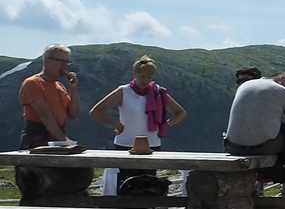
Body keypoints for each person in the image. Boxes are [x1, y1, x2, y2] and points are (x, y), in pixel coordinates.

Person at [88, 55, 188, 191]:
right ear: (134, 74)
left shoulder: (158, 93)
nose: (145, 81)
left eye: (149, 77)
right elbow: (96, 111)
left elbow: (180, 112)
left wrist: (166, 124)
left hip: (152, 146)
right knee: (124, 187)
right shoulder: (123, 91)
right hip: (125, 145)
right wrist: (116, 124)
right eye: (142, 76)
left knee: (148, 187)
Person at [224, 70, 285, 191]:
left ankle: (263, 177)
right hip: (262, 146)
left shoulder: (245, 85)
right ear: (282, 78)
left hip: (232, 146)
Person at [17, 44, 81, 148]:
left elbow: (73, 115)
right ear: (47, 61)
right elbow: (45, 116)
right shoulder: (33, 83)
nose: (64, 65)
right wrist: (66, 141)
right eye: (60, 61)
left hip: (56, 139)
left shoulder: (59, 86)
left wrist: (73, 90)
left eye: (66, 62)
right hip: (37, 139)